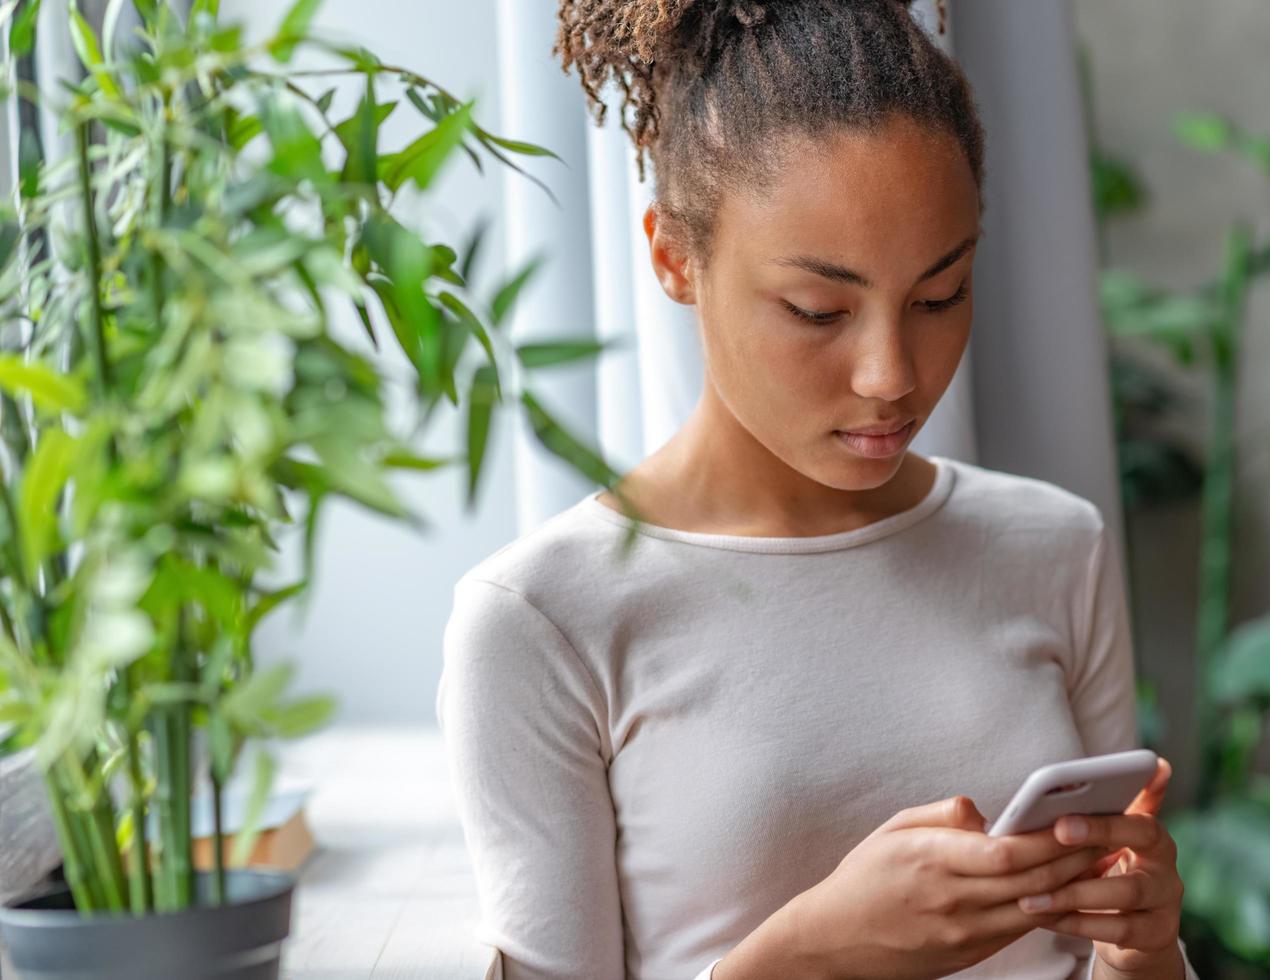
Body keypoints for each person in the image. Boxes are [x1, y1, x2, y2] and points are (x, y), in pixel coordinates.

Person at [436, 1, 1202, 977]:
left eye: (938, 295)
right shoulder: (540, 617)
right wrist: (806, 957)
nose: (891, 372)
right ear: (673, 254)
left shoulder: (1052, 542)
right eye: (816, 309)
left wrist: (1140, 951)